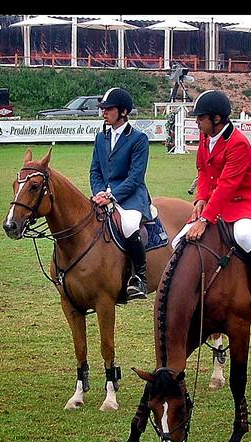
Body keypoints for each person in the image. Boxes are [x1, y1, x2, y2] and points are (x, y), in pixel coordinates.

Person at [172, 90, 251, 310]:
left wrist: (204, 220)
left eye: (200, 118)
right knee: (177, 242)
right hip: (213, 202)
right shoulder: (205, 138)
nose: (197, 122)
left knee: (242, 236)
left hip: (242, 201)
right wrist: (200, 199)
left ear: (216, 118)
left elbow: (227, 186)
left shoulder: (238, 143)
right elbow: (203, 171)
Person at [89, 87, 153, 300]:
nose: (104, 112)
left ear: (123, 111)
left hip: (131, 196)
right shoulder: (100, 137)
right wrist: (99, 192)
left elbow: (135, 177)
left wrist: (111, 195)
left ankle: (140, 278)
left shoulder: (138, 139)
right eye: (103, 109)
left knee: (129, 225)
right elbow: (95, 170)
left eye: (108, 109)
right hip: (103, 194)